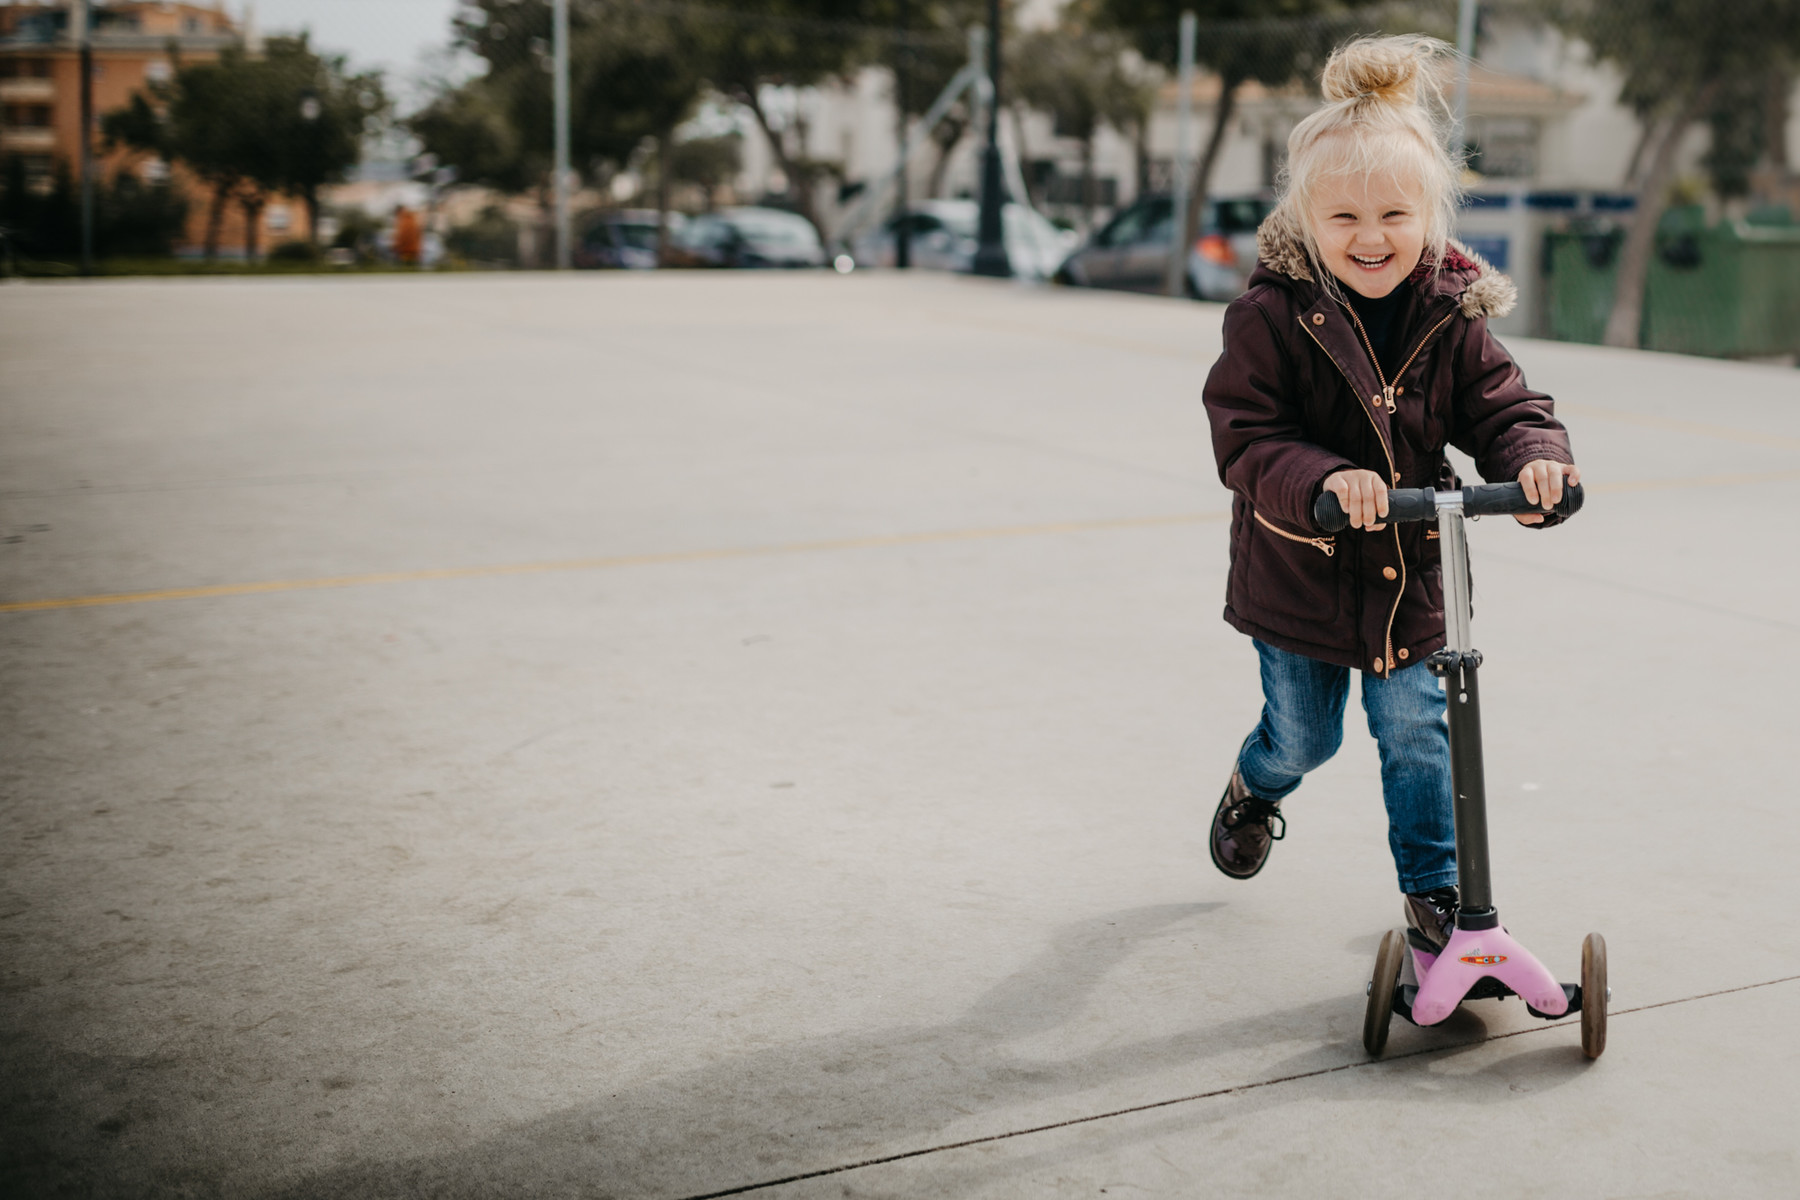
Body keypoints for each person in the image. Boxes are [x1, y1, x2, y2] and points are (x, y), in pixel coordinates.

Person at [1200, 35, 1579, 949]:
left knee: (1418, 735)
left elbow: (1503, 405)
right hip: (1302, 576)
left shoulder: (1452, 310)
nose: (1371, 239)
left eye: (1394, 216)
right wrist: (1324, 481)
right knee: (1305, 741)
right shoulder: (1271, 316)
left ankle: (1437, 901)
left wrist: (1534, 460)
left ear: (1431, 216)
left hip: (1411, 581)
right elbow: (1246, 437)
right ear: (1305, 218)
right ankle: (1256, 785)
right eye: (1344, 219)